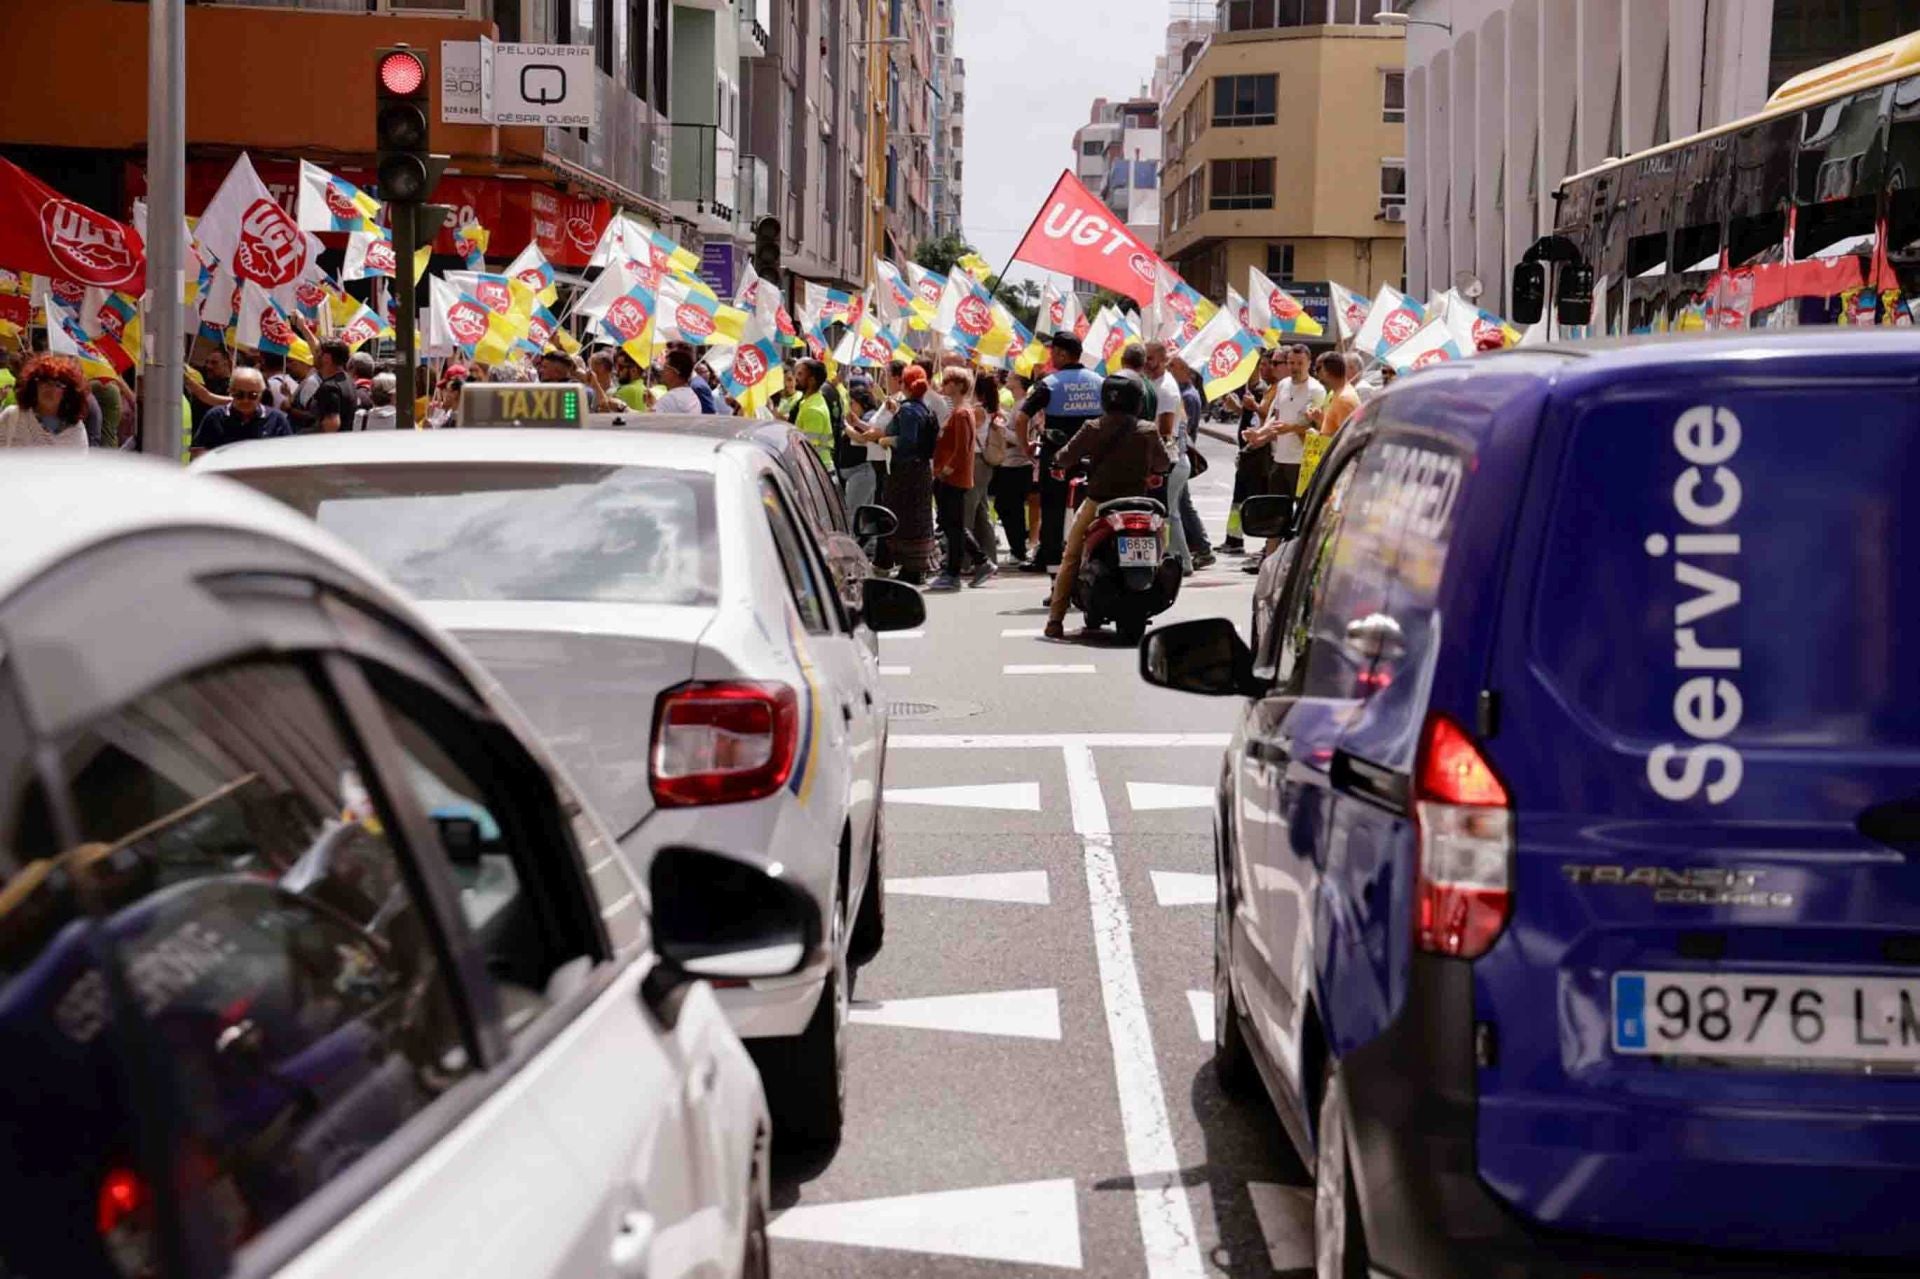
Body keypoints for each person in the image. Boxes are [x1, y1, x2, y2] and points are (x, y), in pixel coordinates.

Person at [1043, 374, 1172, 640]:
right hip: (1140, 505)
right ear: (1138, 400)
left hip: (1100, 504)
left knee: (1072, 555)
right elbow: (1162, 464)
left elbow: (1066, 456)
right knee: (1163, 545)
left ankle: (1055, 620)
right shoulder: (1147, 430)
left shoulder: (1094, 426)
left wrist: (1057, 462)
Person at [1011, 333, 1104, 573]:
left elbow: (1022, 418)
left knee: (1052, 513)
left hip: (1057, 460)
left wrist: (1026, 447)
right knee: (1093, 510)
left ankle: (1052, 568)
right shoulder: (1100, 382)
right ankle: (1091, 560)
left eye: (1053, 352)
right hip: (1093, 459)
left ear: (1063, 354)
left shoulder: (1050, 384)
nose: (1050, 356)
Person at [1241, 343, 1327, 572]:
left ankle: (1299, 563)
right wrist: (1259, 435)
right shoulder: (1283, 386)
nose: (1295, 367)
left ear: (1309, 363)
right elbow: (1275, 419)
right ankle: (1269, 562)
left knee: (1301, 514)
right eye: (1291, 363)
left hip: (1301, 462)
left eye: (1300, 363)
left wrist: (1288, 428)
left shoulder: (1316, 390)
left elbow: (1312, 426)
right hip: (1280, 459)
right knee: (1276, 512)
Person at [874, 365, 941, 584]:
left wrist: (888, 440)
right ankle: (917, 565)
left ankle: (912, 568)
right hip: (919, 471)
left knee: (904, 520)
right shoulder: (922, 407)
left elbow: (908, 440)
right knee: (918, 520)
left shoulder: (909, 410)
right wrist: (896, 411)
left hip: (906, 473)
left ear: (904, 384)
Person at [927, 367, 979, 592]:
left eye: (948, 382)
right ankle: (980, 561)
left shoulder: (962, 413)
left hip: (953, 478)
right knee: (950, 524)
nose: (944, 386)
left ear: (958, 386)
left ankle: (954, 572)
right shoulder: (958, 411)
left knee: (953, 526)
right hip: (948, 476)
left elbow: (963, 447)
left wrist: (947, 469)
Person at [1224, 349, 1280, 554]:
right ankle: (1233, 538)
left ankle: (1268, 543)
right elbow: (1252, 417)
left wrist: (1254, 406)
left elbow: (1268, 418)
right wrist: (1238, 408)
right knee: (1239, 496)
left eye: (1266, 365)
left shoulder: (1270, 391)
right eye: (1261, 365)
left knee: (1260, 497)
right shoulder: (1261, 390)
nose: (1264, 369)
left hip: (1261, 455)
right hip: (1248, 452)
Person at [1145, 341, 1190, 572]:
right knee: (1171, 512)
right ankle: (1182, 560)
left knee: (1168, 512)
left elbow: (1164, 430)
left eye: (1151, 359)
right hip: (1168, 458)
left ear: (1163, 361)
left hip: (1169, 459)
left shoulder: (1165, 389)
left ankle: (1177, 561)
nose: (1146, 363)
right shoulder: (1153, 383)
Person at [1167, 356, 1215, 570]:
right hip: (1180, 455)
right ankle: (1196, 547)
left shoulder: (1188, 396)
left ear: (1186, 369)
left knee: (1181, 507)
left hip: (1180, 455)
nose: (1169, 369)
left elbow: (1186, 428)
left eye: (1173, 366)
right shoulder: (1183, 393)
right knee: (1181, 505)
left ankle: (1201, 549)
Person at [961, 370, 1003, 585]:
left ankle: (967, 560)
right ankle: (988, 555)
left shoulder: (976, 410)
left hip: (976, 462)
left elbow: (966, 432)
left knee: (968, 510)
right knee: (981, 511)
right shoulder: (986, 410)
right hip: (981, 463)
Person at [189, 367, 291, 455]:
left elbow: (288, 454)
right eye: (239, 395)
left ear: (262, 394)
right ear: (230, 392)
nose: (245, 400)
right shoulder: (214, 417)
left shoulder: (277, 420)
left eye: (252, 395)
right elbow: (198, 452)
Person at [990, 370, 1034, 565]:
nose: (1007, 376)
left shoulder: (1024, 406)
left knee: (1009, 507)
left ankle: (1019, 549)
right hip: (1010, 463)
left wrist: (1001, 429)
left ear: (1019, 381)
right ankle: (1020, 543)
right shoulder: (1018, 405)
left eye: (1012, 375)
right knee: (1006, 506)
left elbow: (1021, 439)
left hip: (1017, 465)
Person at [0, 355, 90, 449]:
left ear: (68, 392)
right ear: (34, 385)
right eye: (44, 381)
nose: (49, 388)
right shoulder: (12, 416)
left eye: (58, 384)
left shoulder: (76, 430)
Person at [304, 340, 356, 435]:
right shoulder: (348, 380)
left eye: (317, 352)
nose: (313, 356)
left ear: (327, 358)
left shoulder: (329, 388)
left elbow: (332, 425)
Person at [788, 358, 835, 464]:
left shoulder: (813, 410)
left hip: (818, 470)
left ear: (812, 380)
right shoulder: (811, 401)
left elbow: (808, 450)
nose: (796, 378)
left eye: (800, 374)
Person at [654, 347, 704, 414]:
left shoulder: (669, 399)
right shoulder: (694, 397)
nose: (662, 371)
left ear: (676, 371)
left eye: (665, 367)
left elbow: (649, 422)